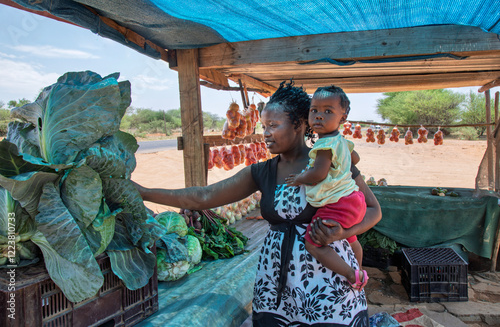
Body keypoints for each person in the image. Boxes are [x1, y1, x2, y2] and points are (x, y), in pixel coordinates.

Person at [133, 81, 381, 326]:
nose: (266, 133)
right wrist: (144, 192)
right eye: (264, 126)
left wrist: (346, 232)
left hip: (328, 286)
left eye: (273, 125)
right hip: (275, 286)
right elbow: (204, 196)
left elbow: (373, 210)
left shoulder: (335, 161)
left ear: (299, 124)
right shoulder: (262, 173)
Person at [285, 85, 368, 290]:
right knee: (352, 239)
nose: (319, 116)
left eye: (328, 111)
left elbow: (319, 174)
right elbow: (355, 158)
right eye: (314, 110)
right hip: (354, 199)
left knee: (314, 243)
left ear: (343, 117)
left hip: (338, 203)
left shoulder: (324, 145)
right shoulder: (342, 141)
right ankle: (358, 267)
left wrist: (300, 178)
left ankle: (351, 274)